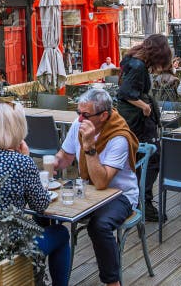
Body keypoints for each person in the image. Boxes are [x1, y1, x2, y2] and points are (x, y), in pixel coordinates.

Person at [0, 103, 70, 286]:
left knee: (36, 224)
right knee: (61, 233)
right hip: (9, 246)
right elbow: (41, 205)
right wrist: (26, 158)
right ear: (17, 129)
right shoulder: (21, 162)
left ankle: (35, 277)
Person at [51, 89, 139, 286]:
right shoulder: (79, 124)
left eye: (85, 115)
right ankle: (47, 276)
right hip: (87, 189)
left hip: (120, 195)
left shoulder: (119, 136)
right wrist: (52, 165)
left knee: (99, 225)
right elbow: (66, 156)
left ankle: (112, 282)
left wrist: (89, 146)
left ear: (104, 115)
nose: (80, 119)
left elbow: (102, 182)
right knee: (44, 209)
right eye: (78, 113)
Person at [117, 34, 172, 222]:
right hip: (137, 120)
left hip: (130, 119)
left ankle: (138, 199)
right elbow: (125, 93)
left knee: (140, 158)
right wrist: (145, 107)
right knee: (153, 157)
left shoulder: (133, 60)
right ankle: (144, 202)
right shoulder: (139, 67)